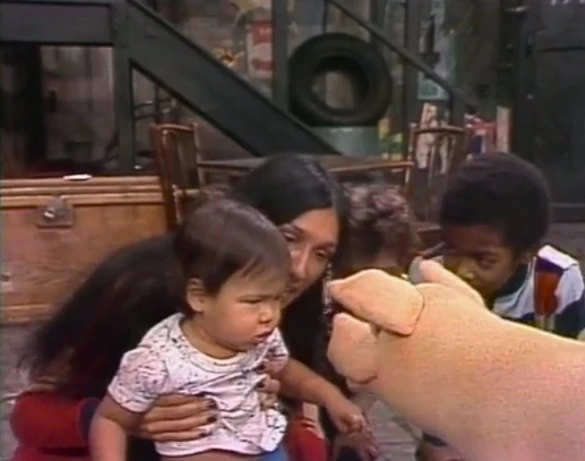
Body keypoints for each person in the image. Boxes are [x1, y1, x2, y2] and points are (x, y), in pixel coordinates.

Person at [11, 154, 353, 461]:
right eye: (289, 238)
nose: (300, 269)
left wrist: (276, 412)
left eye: (321, 254)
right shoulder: (137, 289)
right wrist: (129, 419)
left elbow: (305, 418)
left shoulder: (294, 314)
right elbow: (29, 416)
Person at [90, 198, 365, 461]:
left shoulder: (259, 337)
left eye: (276, 299)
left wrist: (331, 398)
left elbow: (286, 370)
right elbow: (110, 420)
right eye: (254, 301)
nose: (270, 315)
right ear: (199, 297)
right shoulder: (156, 360)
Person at [416, 152, 585, 461]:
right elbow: (439, 381)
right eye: (453, 251)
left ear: (527, 252)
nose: (463, 270)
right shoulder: (437, 280)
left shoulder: (556, 282)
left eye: (483, 259)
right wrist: (437, 441)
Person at [331, 184, 421, 461]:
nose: (369, 286)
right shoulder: (326, 311)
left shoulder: (415, 310)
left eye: (384, 274)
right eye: (356, 273)